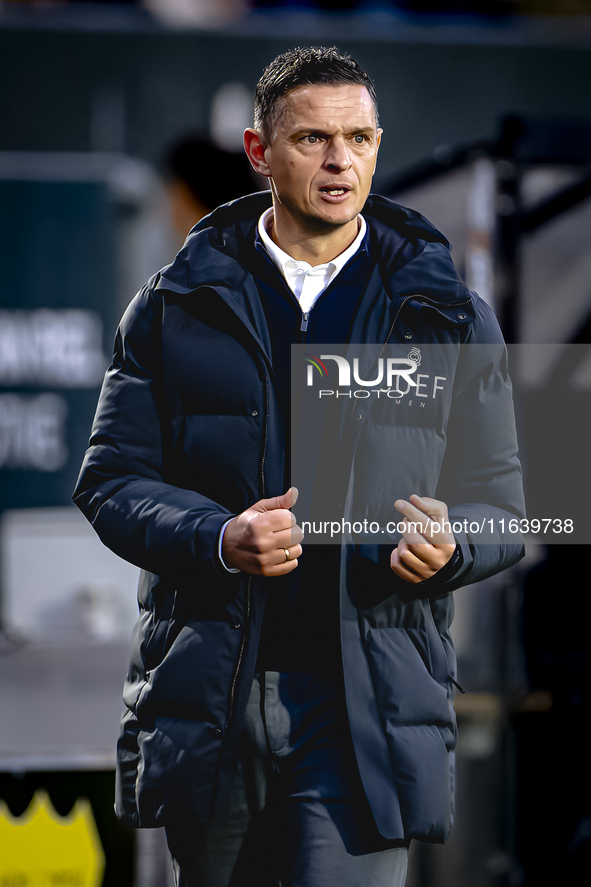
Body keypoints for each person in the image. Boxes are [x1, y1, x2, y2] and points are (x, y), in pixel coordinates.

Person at [73, 46, 525, 887]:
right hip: (211, 696)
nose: (339, 160)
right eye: (314, 138)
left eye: (358, 138)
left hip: (365, 706)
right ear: (258, 152)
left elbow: (507, 507)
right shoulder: (172, 306)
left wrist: (454, 544)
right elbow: (108, 482)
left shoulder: (450, 314)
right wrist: (217, 536)